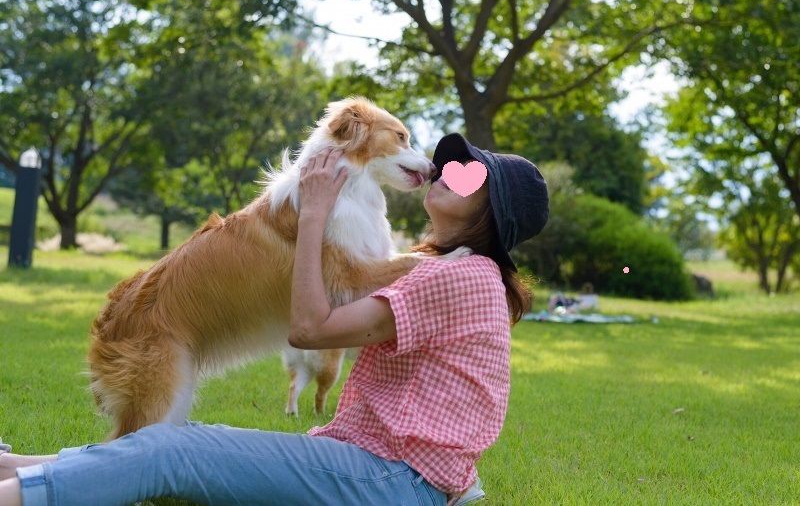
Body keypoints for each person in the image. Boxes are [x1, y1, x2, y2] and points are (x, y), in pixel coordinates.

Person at [0, 133, 548, 506]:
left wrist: (313, 215)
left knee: (171, 450)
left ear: (491, 215)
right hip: (385, 471)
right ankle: (17, 467)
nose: (450, 172)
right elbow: (350, 290)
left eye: (472, 176)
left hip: (390, 480)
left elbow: (309, 328)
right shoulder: (455, 270)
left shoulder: (458, 274)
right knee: (175, 439)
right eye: (453, 166)